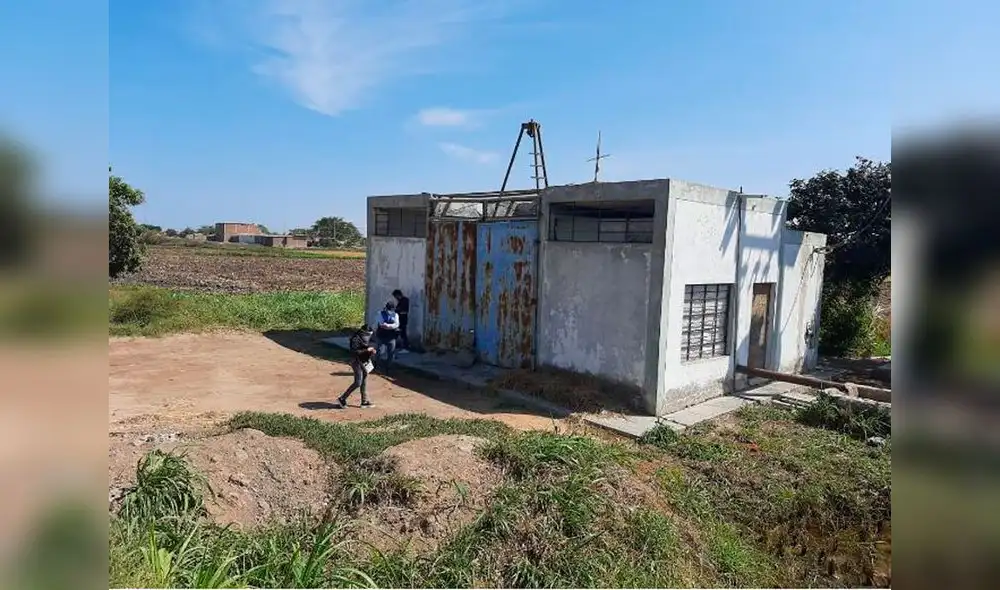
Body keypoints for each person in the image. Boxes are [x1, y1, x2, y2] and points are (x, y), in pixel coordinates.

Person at [336, 325, 376, 408]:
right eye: (368, 335)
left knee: (364, 378)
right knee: (358, 382)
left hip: (363, 361)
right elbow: (355, 352)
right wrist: (367, 350)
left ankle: (364, 401)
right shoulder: (355, 339)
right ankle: (342, 399)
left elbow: (365, 348)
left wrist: (371, 352)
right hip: (356, 362)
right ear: (363, 333)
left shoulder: (364, 338)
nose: (369, 337)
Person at [375, 300, 400, 366]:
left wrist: (388, 326)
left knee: (391, 352)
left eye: (392, 310)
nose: (390, 311)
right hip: (381, 335)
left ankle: (388, 367)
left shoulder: (395, 315)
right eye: (389, 309)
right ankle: (377, 365)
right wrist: (390, 326)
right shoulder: (380, 313)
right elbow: (381, 324)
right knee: (379, 352)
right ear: (386, 308)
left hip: (391, 337)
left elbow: (396, 324)